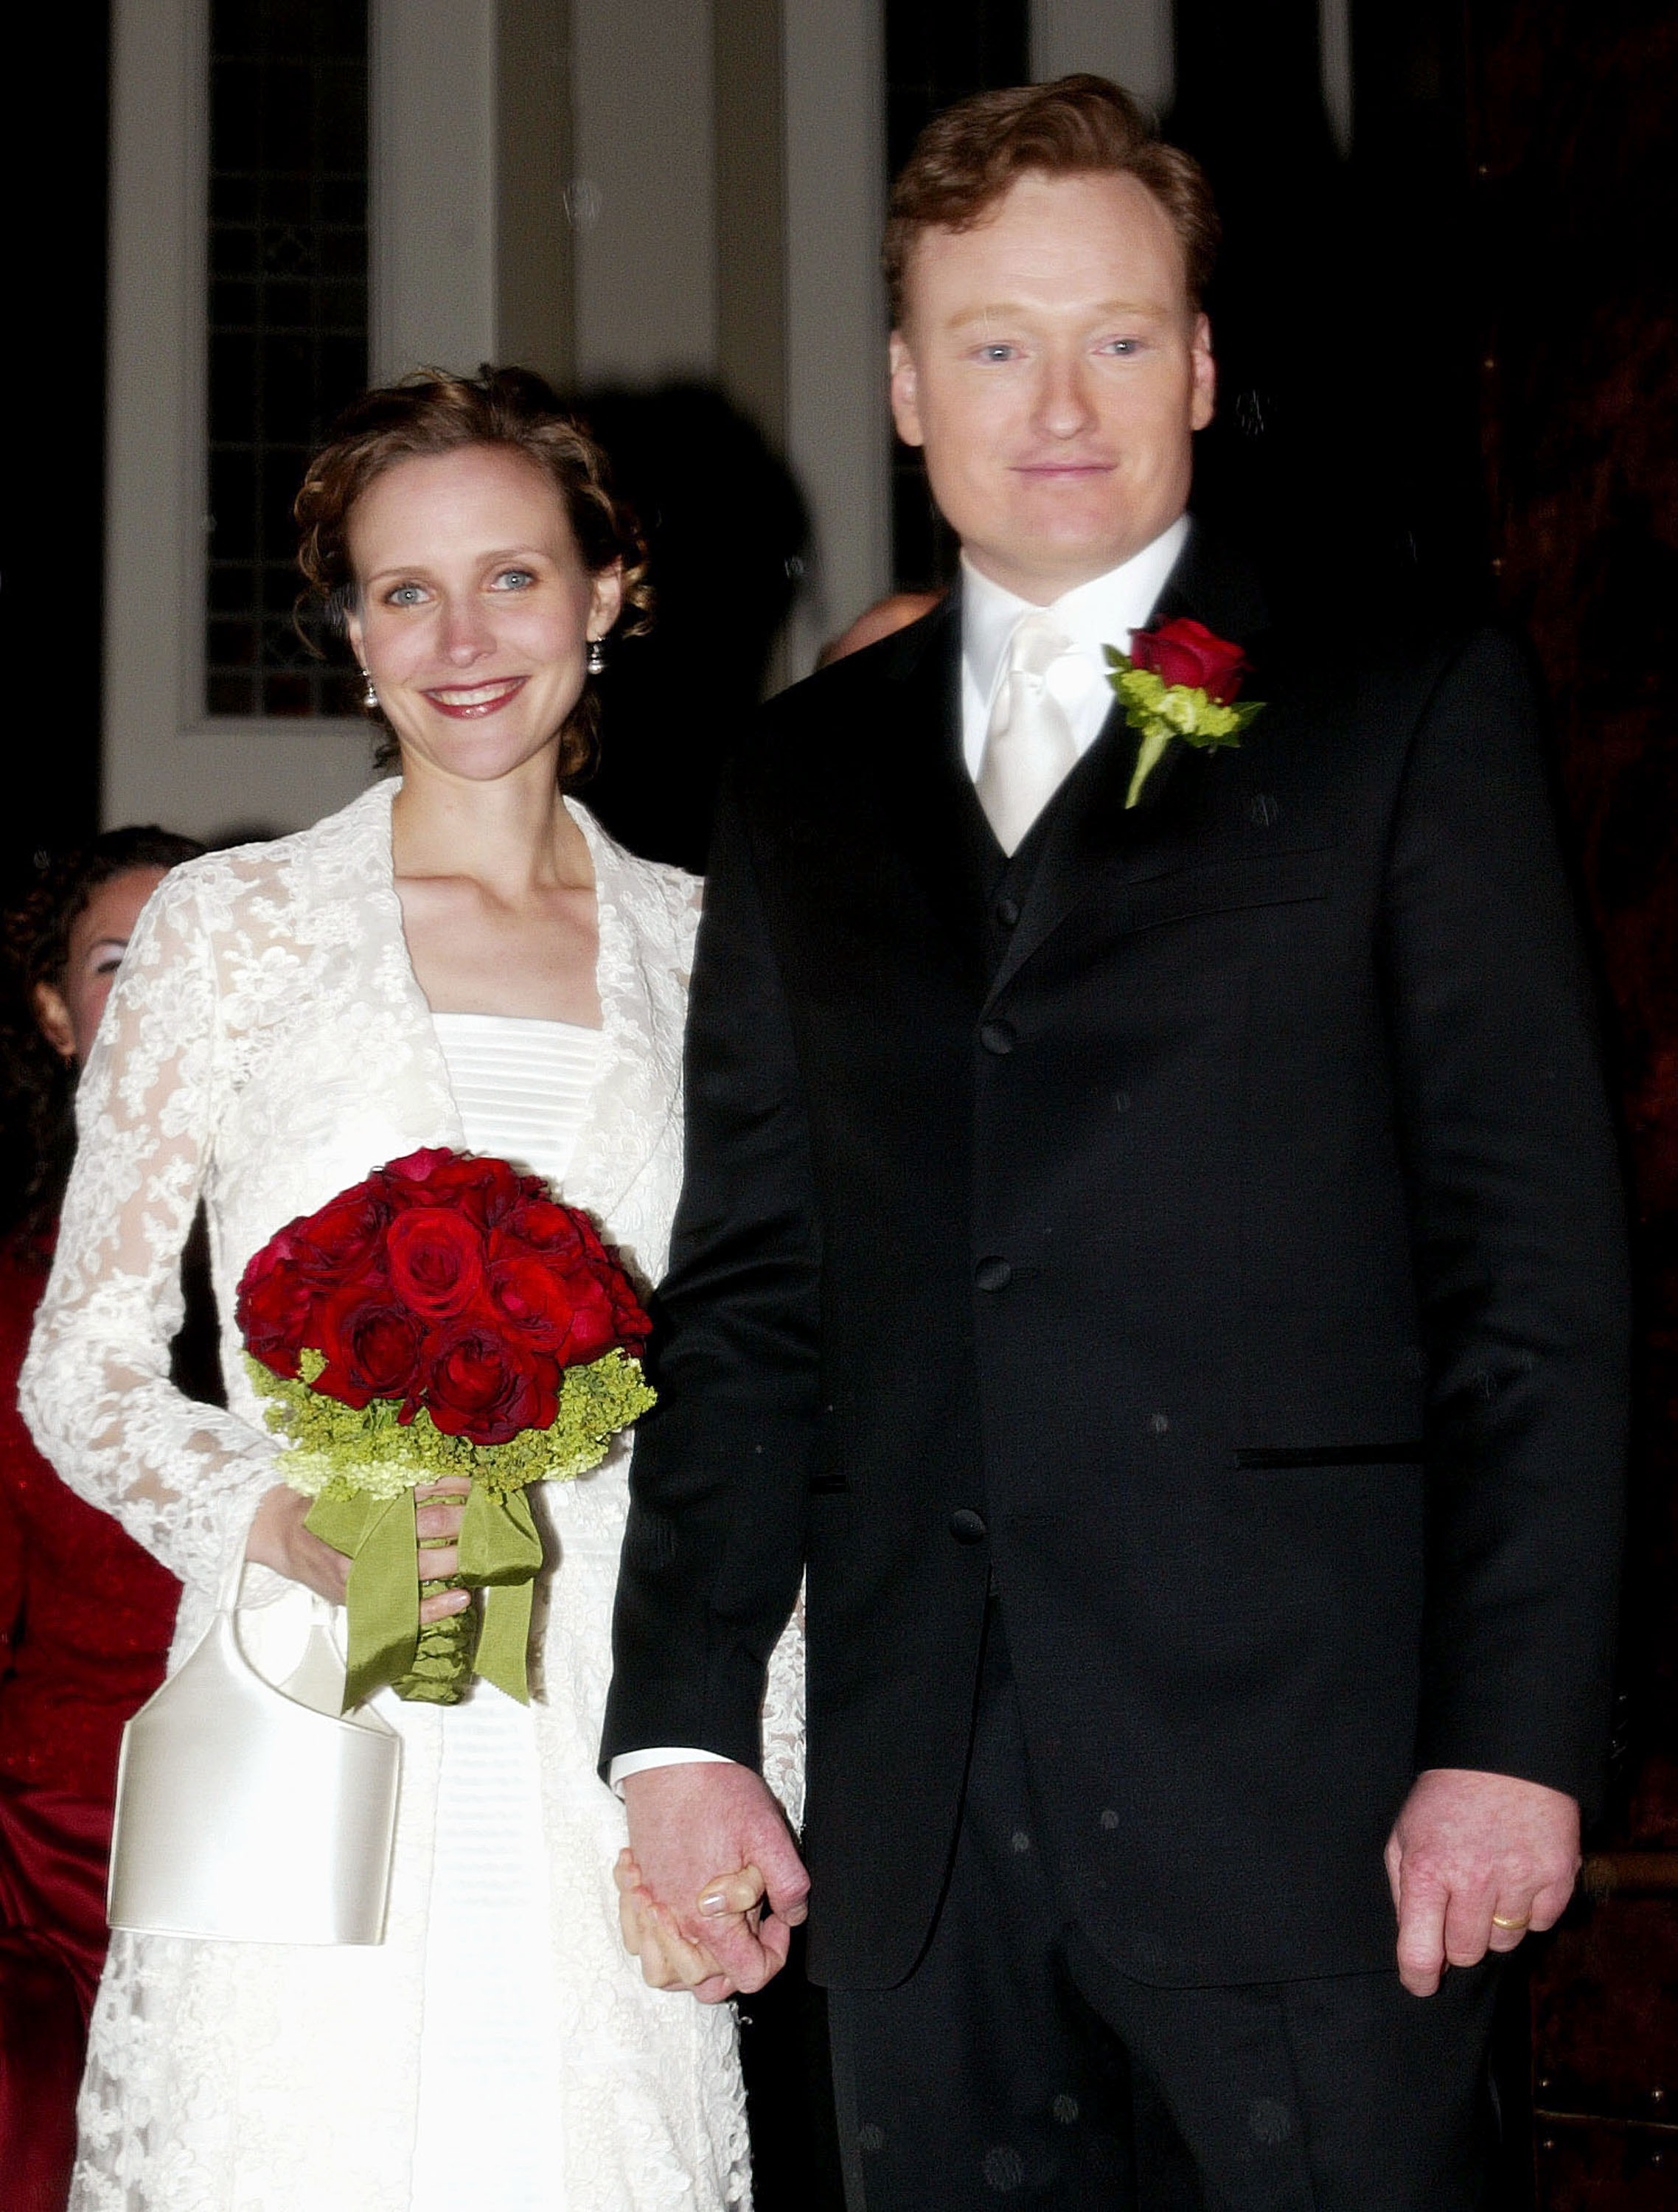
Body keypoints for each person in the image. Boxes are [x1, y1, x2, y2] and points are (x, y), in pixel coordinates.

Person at [603, 76, 1627, 2209]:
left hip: (1321, 1795)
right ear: (903, 384)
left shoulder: (1401, 693)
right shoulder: (796, 778)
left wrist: (1508, 1740)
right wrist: (683, 1730)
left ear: (1205, 366)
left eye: (1118, 337)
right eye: (992, 343)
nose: (1055, 400)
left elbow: (1525, 1273)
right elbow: (758, 1282)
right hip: (921, 1827)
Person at [21, 367, 801, 2212]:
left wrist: (741, 1772)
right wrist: (283, 1512)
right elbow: (83, 1371)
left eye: (514, 578)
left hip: (603, 1726)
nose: (461, 641)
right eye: (401, 592)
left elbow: (766, 1410)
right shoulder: (227, 935)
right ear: (352, 632)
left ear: (608, 592)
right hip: (309, 1693)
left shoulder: (713, 952)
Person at [1, 830, 199, 2212]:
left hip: (292, 1828)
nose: (161, 992)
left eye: (189, 955)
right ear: (61, 1017)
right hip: (48, 1871)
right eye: (121, 963)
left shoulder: (347, 1251)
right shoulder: (12, 1289)